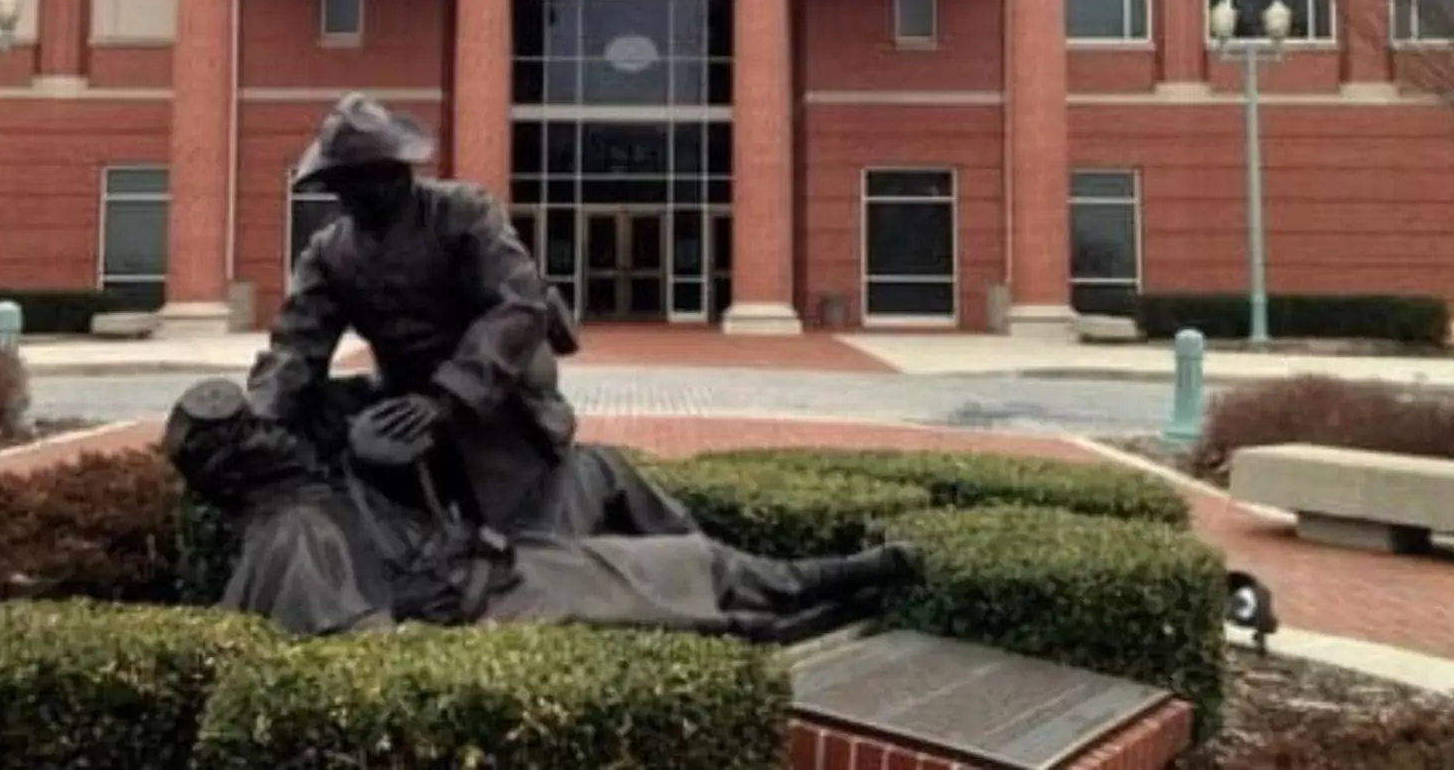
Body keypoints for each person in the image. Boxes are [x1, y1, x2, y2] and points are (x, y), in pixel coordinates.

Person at [166, 376, 923, 643]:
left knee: (636, 528)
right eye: (262, 434)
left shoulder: (313, 490)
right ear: (241, 466)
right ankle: (805, 586)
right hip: (491, 597)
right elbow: (366, 643)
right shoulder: (295, 530)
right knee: (671, 564)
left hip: (494, 567)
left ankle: (790, 586)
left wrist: (376, 458)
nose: (281, 432)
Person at [247, 91, 688, 537]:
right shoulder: (331, 251)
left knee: (528, 525)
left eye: (354, 181)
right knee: (323, 427)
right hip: (404, 396)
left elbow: (518, 303)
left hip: (493, 392)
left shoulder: (463, 213)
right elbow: (296, 346)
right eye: (337, 183)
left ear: (395, 174)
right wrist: (259, 418)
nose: (344, 196)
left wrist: (447, 396)